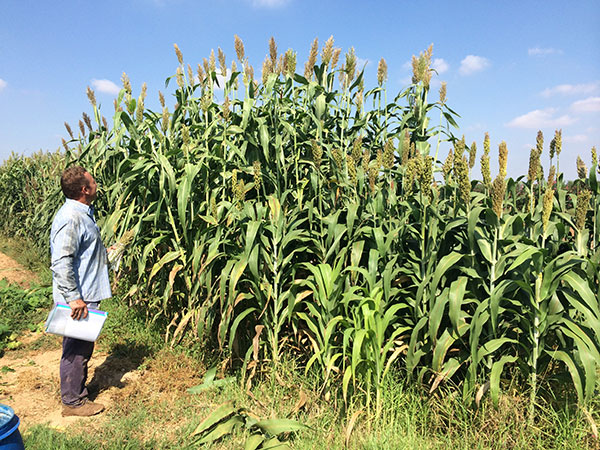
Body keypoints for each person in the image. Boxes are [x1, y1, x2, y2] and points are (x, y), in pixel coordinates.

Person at [50, 166, 111, 417]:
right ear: (85, 190)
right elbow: (62, 261)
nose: (97, 184)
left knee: (80, 347)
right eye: (93, 182)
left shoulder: (82, 214)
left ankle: (76, 393)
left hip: (85, 293)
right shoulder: (71, 217)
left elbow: (83, 255)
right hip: (80, 298)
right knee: (76, 349)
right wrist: (74, 298)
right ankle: (73, 402)